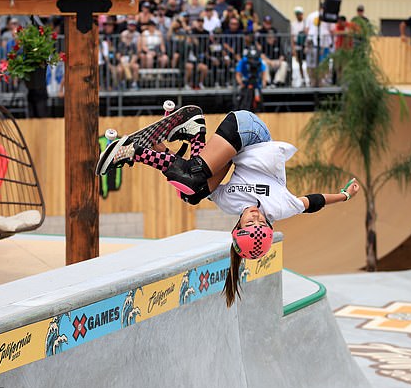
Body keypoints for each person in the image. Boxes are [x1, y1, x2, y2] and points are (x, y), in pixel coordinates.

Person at [97, 109, 360, 306]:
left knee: (192, 193)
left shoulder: (228, 203)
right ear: (269, 224)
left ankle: (193, 132)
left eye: (250, 223)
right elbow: (314, 202)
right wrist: (344, 196)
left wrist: (165, 151)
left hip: (234, 151)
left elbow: (193, 190)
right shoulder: (281, 207)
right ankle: (135, 152)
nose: (255, 216)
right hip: (251, 132)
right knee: (194, 177)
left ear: (238, 225)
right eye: (261, 222)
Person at [235, 45, 266, 111]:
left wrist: (264, 82)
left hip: (256, 83)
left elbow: (264, 72)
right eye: (251, 59)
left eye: (254, 59)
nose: (253, 62)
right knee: (243, 99)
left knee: (259, 100)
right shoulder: (243, 61)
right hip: (245, 83)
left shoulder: (259, 61)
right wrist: (241, 84)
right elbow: (237, 74)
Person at [290, 6, 308, 87]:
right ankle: (302, 78)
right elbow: (292, 37)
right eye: (297, 14)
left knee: (307, 63)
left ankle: (308, 78)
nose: (298, 16)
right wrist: (293, 48)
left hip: (305, 45)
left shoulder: (306, 23)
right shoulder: (293, 24)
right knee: (300, 62)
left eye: (300, 14)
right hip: (298, 45)